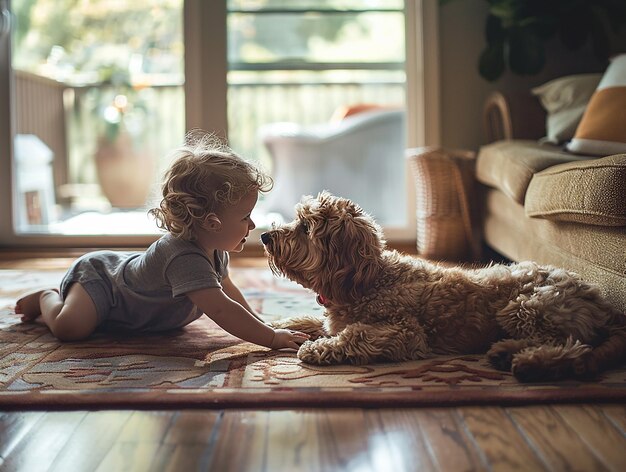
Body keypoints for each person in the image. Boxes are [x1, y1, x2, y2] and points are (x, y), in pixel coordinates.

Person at [15, 132, 309, 351]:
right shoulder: (183, 257)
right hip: (103, 283)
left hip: (124, 284)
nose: (253, 224)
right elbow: (221, 309)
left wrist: (260, 322)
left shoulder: (216, 251)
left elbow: (229, 292)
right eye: (245, 216)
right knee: (71, 329)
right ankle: (46, 298)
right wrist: (270, 338)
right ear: (211, 223)